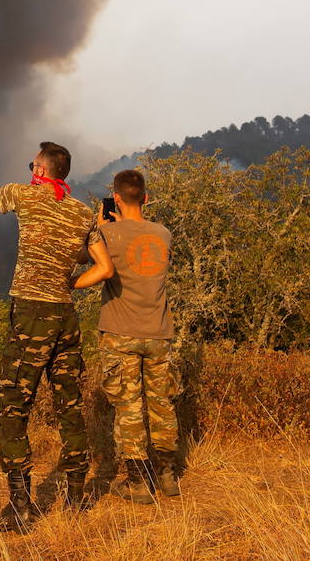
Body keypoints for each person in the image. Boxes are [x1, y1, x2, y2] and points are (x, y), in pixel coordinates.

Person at [0, 141, 114, 530]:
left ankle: (20, 508)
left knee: (13, 405)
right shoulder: (81, 213)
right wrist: (71, 285)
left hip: (30, 315)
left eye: (32, 165)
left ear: (41, 172)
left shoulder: (25, 195)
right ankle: (76, 498)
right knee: (70, 405)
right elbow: (104, 268)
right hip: (65, 317)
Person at [95, 168, 180, 502]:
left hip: (120, 332)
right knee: (162, 405)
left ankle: (138, 483)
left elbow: (86, 261)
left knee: (129, 408)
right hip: (158, 332)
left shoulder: (108, 235)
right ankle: (169, 477)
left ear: (115, 198)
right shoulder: (164, 233)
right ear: (146, 198)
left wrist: (100, 229)